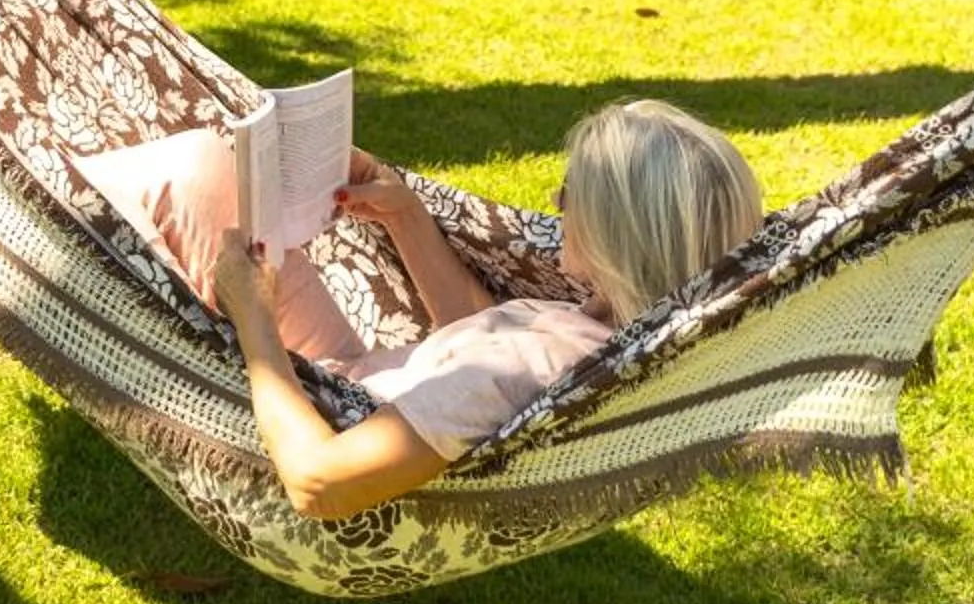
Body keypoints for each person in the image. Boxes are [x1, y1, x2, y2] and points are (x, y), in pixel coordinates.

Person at [87, 99, 763, 523]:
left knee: (149, 199)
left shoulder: (531, 369)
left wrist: (251, 316)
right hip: (351, 373)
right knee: (204, 170)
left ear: (621, 236)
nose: (557, 204)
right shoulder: (602, 335)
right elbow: (480, 334)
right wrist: (405, 216)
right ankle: (67, 198)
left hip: (321, 408)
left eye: (572, 194)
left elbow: (319, 484)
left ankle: (60, 218)